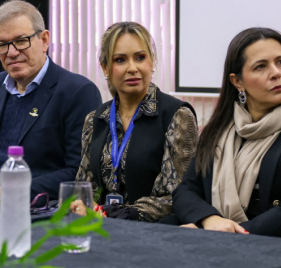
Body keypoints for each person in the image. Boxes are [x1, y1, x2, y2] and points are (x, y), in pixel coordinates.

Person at [172, 27, 281, 237]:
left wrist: (222, 236)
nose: (276, 73)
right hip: (218, 238)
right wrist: (209, 220)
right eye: (261, 66)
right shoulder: (220, 130)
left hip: (280, 247)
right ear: (238, 82)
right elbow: (186, 191)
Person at [0, 0, 102, 203]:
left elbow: (78, 174)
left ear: (44, 40)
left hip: (36, 209)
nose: (11, 53)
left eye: (21, 41)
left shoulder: (78, 91)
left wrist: (3, 195)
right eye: (2, 44)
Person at [74, 22, 197, 221]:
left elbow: (177, 195)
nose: (132, 68)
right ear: (105, 67)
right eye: (120, 60)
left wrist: (121, 214)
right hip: (99, 226)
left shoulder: (177, 115)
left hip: (154, 231)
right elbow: (83, 185)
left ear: (152, 62)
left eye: (140, 58)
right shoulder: (95, 119)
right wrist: (83, 205)